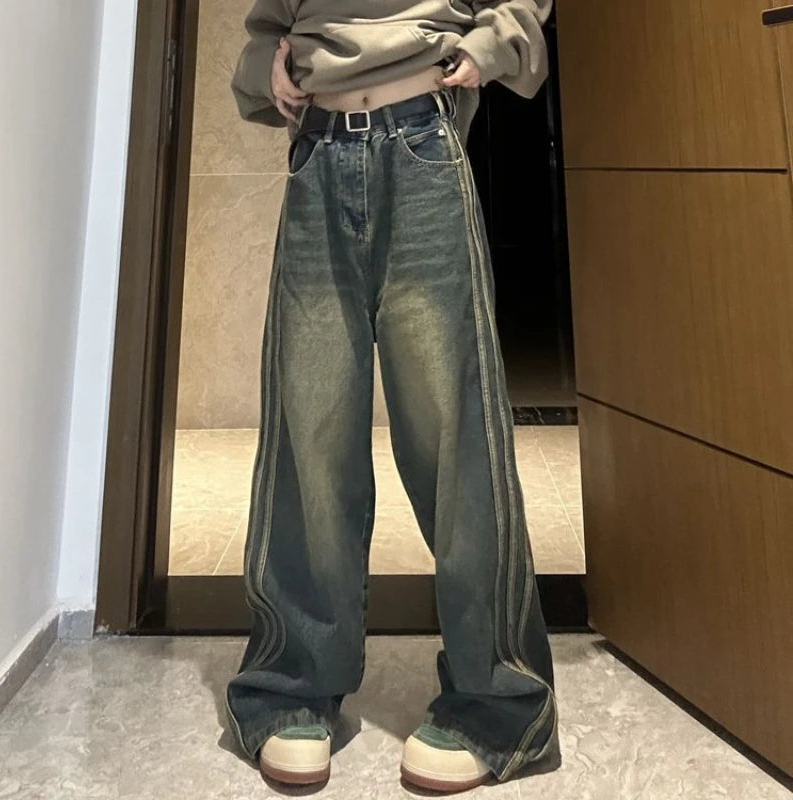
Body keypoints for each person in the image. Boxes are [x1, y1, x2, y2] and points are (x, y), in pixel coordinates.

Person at [224, 0, 559, 793]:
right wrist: (268, 61)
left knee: (454, 435)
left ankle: (498, 699)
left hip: (423, 143)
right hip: (317, 154)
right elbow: (270, 21)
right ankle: (294, 682)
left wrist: (491, 43)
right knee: (310, 432)